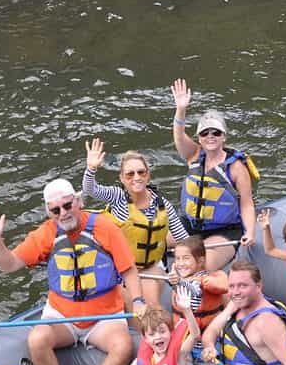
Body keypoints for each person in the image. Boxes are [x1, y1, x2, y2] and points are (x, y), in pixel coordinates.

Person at [0, 179, 146, 365]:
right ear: (49, 212)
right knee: (37, 340)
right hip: (62, 316)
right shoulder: (46, 234)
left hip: (104, 317)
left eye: (67, 205)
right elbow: (9, 265)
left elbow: (129, 270)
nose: (63, 213)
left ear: (78, 201)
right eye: (56, 210)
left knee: (123, 346)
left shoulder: (105, 227)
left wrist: (138, 301)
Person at [82, 138, 189, 308]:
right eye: (130, 174)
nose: (136, 178)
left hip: (149, 267)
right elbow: (90, 189)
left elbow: (184, 239)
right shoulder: (117, 196)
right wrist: (91, 168)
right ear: (122, 178)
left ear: (148, 175)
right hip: (117, 268)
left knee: (150, 306)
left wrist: (180, 265)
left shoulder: (162, 204)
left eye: (141, 172)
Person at [171, 78, 257, 271]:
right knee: (154, 241)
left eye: (216, 133)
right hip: (190, 225)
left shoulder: (235, 167)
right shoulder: (193, 154)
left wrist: (250, 231)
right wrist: (181, 109)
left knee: (202, 264)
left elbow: (247, 203)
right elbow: (178, 135)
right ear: (199, 138)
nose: (210, 136)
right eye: (205, 133)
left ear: (224, 137)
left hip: (223, 231)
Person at [167, 235, 228, 334]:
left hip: (204, 335)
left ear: (200, 261)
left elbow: (195, 291)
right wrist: (174, 282)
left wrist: (179, 281)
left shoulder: (200, 280)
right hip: (185, 333)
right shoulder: (184, 278)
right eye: (178, 259)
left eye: (186, 258)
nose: (181, 263)